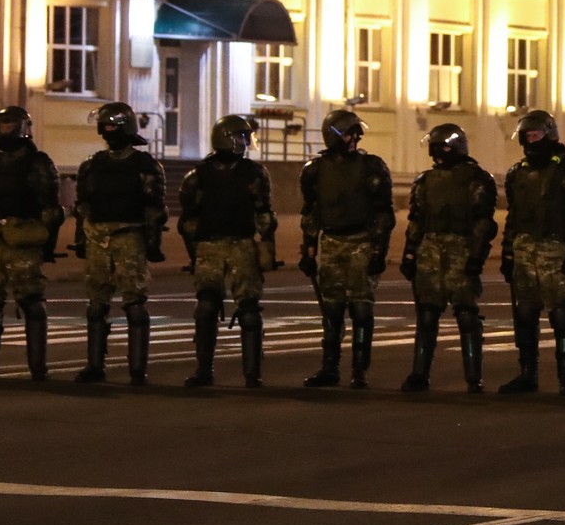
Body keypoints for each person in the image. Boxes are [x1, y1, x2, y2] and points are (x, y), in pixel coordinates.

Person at [297, 109, 394, 389]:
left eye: (357, 133)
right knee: (332, 310)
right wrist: (308, 251)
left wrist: (379, 252)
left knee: (362, 311)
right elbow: (311, 214)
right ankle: (330, 367)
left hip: (361, 241)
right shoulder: (315, 170)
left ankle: (359, 371)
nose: (356, 138)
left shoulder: (372, 167)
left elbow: (383, 214)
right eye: (350, 133)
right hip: (331, 242)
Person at [72, 102, 168, 386]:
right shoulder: (92, 165)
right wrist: (81, 238)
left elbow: (155, 209)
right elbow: (83, 207)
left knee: (134, 303)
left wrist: (152, 243)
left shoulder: (145, 165)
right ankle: (94, 365)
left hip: (130, 234)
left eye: (113, 124)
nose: (109, 129)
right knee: (96, 304)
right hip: (97, 235)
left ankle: (137, 368)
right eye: (106, 124)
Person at [178, 115, 277, 388]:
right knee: (229, 308)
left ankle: (209, 369)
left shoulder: (199, 175)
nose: (246, 143)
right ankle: (248, 373)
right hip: (234, 245)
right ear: (229, 139)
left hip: (217, 245)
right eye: (242, 137)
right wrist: (266, 247)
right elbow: (264, 216)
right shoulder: (252, 174)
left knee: (229, 308)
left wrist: (193, 253)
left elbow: (188, 223)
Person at [398, 123, 497, 393]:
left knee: (466, 316)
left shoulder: (477, 178)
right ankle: (419, 374)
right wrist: (409, 252)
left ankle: (473, 378)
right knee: (427, 315)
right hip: (430, 249)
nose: (437, 155)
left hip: (461, 248)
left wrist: (476, 255)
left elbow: (483, 222)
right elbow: (416, 220)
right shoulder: (425, 180)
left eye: (442, 148)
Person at [499, 109, 565, 395]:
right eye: (527, 136)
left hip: (556, 247)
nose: (531, 140)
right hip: (525, 247)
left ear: (549, 135)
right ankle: (528, 372)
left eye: (536, 135)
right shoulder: (518, 172)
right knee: (525, 312)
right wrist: (507, 251)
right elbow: (513, 215)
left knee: (559, 313)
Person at [0, 107, 57, 380]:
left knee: (30, 300)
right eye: (1, 125)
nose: (4, 130)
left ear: (22, 127)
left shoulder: (37, 162)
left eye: (9, 125)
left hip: (25, 236)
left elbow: (51, 209)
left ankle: (37, 366)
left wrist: (44, 245)